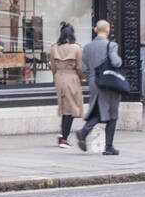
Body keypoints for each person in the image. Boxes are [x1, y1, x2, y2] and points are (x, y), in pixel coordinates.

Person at [76, 20, 122, 155]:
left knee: (98, 111)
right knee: (113, 113)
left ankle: (84, 132)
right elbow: (116, 62)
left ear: (96, 30)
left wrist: (92, 79)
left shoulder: (87, 47)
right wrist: (119, 61)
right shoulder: (111, 45)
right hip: (108, 82)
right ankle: (108, 147)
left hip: (94, 83)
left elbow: (84, 68)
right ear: (107, 30)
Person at [49, 22, 83, 147]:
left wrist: (57, 75)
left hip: (59, 77)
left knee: (64, 107)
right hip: (72, 77)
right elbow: (80, 67)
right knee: (71, 108)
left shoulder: (54, 48)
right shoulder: (77, 48)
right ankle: (64, 138)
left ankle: (62, 132)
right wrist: (81, 77)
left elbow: (52, 66)